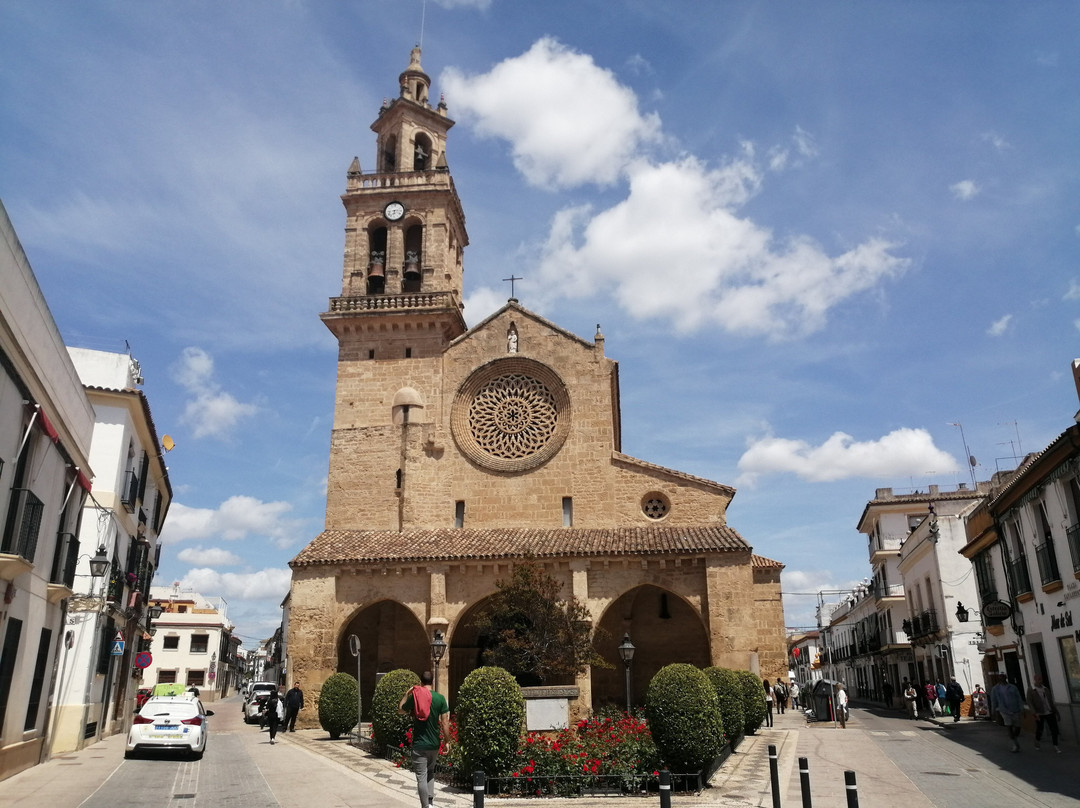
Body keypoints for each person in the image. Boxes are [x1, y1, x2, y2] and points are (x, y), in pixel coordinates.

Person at [399, 671, 450, 808]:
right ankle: (430, 803)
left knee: (421, 776)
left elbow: (401, 710)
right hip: (434, 744)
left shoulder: (415, 697)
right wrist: (447, 741)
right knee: (430, 773)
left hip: (419, 744)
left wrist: (406, 694)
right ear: (432, 681)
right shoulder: (440, 698)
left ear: (421, 682)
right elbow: (445, 722)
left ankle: (425, 806)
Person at [1026, 674, 1061, 753]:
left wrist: (1056, 712)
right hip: (1039, 713)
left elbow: (1051, 702)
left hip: (1049, 711)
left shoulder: (1046, 689)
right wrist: (1034, 713)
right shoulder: (1031, 690)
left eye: (1041, 679)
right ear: (1034, 680)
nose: (1040, 681)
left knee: (1054, 729)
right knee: (1040, 729)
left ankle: (1056, 745)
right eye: (1038, 679)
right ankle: (1037, 740)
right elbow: (1029, 702)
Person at [989, 673, 1024, 752]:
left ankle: (1014, 738)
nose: (1002, 679)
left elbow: (1018, 697)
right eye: (1000, 677)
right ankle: (1014, 743)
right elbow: (993, 700)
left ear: (1006, 678)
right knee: (1009, 726)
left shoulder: (1012, 687)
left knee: (1018, 727)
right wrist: (993, 710)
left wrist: (1021, 708)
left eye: (1003, 677)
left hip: (1015, 709)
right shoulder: (995, 689)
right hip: (1004, 710)